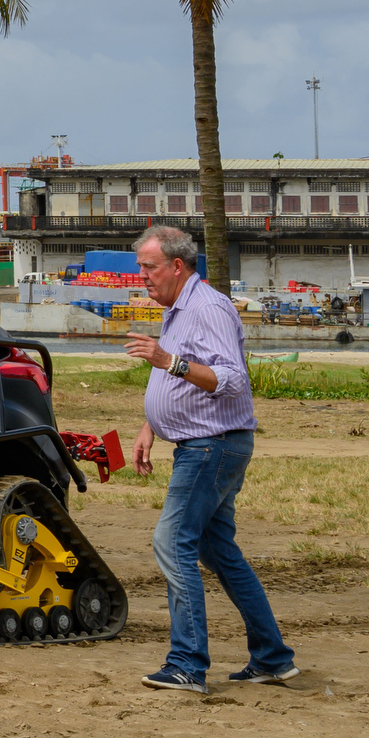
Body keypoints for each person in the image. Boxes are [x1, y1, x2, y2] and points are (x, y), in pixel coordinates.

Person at [123, 224, 297, 693]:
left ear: (177, 266)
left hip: (212, 445)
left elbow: (232, 380)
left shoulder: (207, 306)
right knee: (217, 550)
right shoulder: (178, 309)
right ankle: (273, 658)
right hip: (203, 442)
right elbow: (178, 379)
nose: (142, 275)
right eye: (140, 266)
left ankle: (187, 663)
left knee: (172, 540)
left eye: (149, 267)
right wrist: (151, 425)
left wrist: (167, 362)